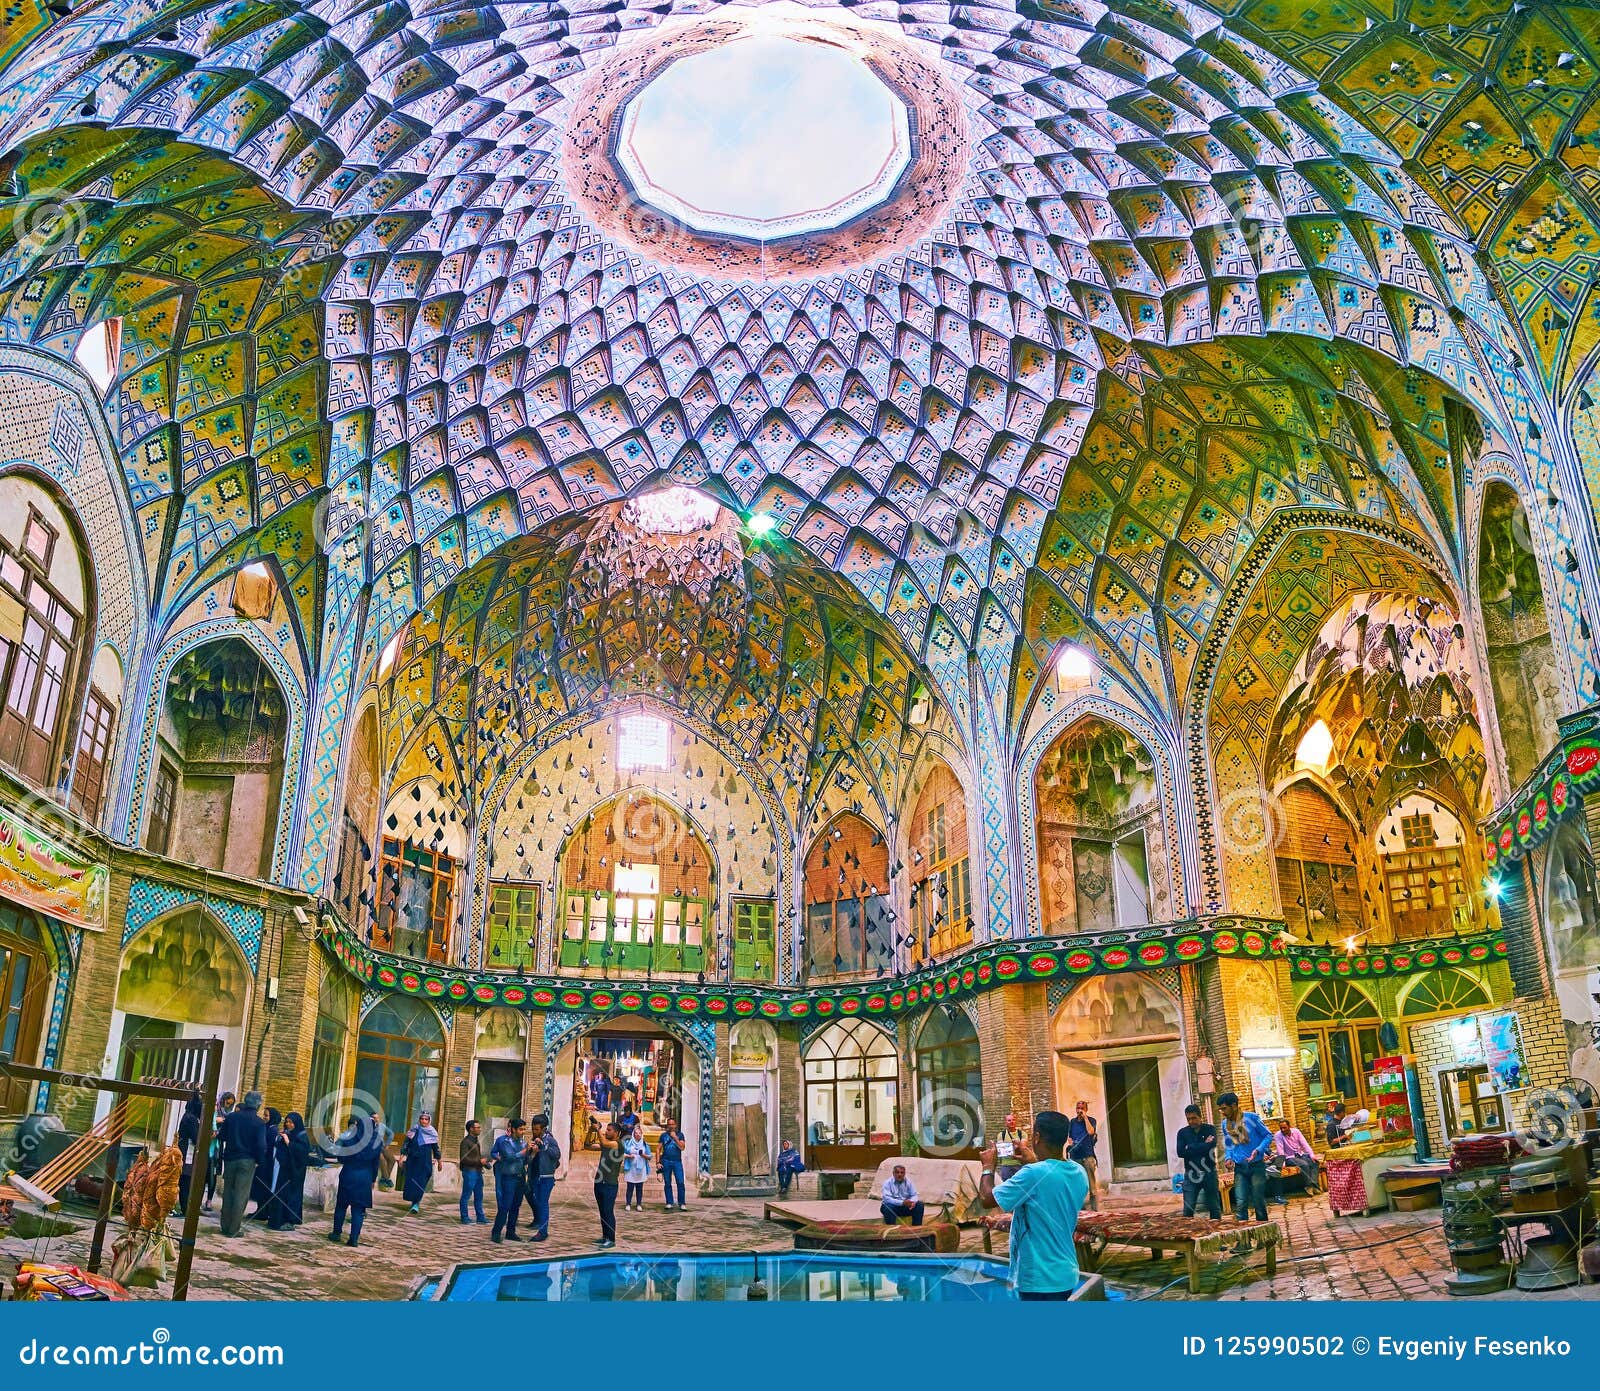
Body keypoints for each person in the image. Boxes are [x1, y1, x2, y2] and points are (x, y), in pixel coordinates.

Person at [978, 1110, 1090, 1300]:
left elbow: (987, 1199)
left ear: (1037, 1137)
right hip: (1066, 1273)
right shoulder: (1078, 1172)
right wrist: (1035, 1161)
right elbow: (1051, 1177)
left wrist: (988, 1166)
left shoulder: (1033, 1174)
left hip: (1039, 1279)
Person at [1218, 1091, 1273, 1225]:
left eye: (1224, 1108)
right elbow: (1229, 1144)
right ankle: (1244, 1241)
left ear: (1234, 1105)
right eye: (1220, 1109)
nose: (1222, 1112)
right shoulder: (1225, 1124)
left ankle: (1264, 1236)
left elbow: (1268, 1135)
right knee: (1241, 1202)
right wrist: (1228, 1158)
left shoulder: (1252, 1118)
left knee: (1258, 1200)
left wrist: (1258, 1150)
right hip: (1240, 1168)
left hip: (1256, 1166)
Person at [329, 1113, 383, 1248]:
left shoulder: (350, 1140)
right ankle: (354, 1238)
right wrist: (373, 1179)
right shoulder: (376, 1142)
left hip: (348, 1174)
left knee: (341, 1205)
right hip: (365, 1177)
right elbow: (376, 1163)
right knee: (358, 1210)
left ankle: (336, 1233)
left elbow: (341, 1158)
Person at [216, 1090, 265, 1237]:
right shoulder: (259, 1122)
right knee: (241, 1194)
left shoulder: (232, 1118)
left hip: (230, 1158)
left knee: (228, 1193)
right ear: (258, 1105)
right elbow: (261, 1145)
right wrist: (259, 1161)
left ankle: (225, 1225)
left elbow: (222, 1136)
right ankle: (233, 1229)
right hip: (247, 1160)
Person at [1174, 1104, 1221, 1219]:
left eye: (1194, 1118)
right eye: (1188, 1119)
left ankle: (1218, 1232)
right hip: (1191, 1174)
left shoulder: (1210, 1129)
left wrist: (1190, 1148)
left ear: (1200, 1117)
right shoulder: (1183, 1133)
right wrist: (1204, 1145)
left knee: (1214, 1207)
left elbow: (1212, 1145)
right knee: (1188, 1208)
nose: (1191, 1121)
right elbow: (1180, 1152)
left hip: (1209, 1172)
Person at [267, 1112, 310, 1230]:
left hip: (294, 1173)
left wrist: (289, 1143)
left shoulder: (302, 1136)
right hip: (283, 1171)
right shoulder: (287, 1133)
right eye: (287, 1122)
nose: (288, 1124)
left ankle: (289, 1221)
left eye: (291, 1122)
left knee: (290, 1197)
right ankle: (276, 1220)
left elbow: (301, 1153)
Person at [521, 1113, 561, 1241]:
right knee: (537, 1202)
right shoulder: (533, 1140)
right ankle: (539, 1222)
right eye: (533, 1128)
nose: (534, 1131)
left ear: (544, 1129)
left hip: (546, 1178)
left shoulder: (550, 1140)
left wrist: (544, 1146)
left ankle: (542, 1232)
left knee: (543, 1204)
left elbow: (557, 1155)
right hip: (534, 1176)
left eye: (537, 1129)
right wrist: (531, 1151)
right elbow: (527, 1160)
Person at [489, 1117, 527, 1243]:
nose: (523, 1132)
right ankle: (496, 1232)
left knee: (516, 1206)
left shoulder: (523, 1143)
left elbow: (525, 1160)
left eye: (524, 1129)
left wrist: (532, 1153)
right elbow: (510, 1156)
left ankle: (511, 1231)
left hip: (520, 1177)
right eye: (520, 1129)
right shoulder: (505, 1141)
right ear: (513, 1129)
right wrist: (524, 1152)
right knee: (505, 1206)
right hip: (508, 1178)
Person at [1270, 1119, 1321, 1198]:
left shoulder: (1296, 1132)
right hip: (1289, 1157)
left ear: (1289, 1127)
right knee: (1304, 1164)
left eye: (1284, 1128)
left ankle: (1314, 1185)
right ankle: (1308, 1186)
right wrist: (1282, 1163)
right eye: (1281, 1128)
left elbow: (1305, 1144)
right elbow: (1280, 1150)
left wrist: (1312, 1155)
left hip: (1300, 1154)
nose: (1283, 1130)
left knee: (1314, 1162)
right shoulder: (1278, 1135)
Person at [401, 1112, 440, 1214]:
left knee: (421, 1182)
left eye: (426, 1119)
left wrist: (439, 1161)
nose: (424, 1121)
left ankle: (416, 1203)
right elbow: (406, 1144)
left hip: (425, 1162)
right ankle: (413, 1202)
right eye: (422, 1119)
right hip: (412, 1161)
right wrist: (401, 1157)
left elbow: (436, 1149)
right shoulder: (414, 1130)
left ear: (429, 1121)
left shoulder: (432, 1133)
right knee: (412, 1182)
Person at [594, 1122, 625, 1248]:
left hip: (610, 1184)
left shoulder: (618, 1144)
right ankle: (605, 1236)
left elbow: (605, 1143)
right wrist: (592, 1131)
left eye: (609, 1130)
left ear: (616, 1133)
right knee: (602, 1212)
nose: (606, 1132)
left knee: (608, 1211)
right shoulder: (607, 1144)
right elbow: (588, 1145)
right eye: (606, 1130)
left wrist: (598, 1130)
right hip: (600, 1182)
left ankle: (611, 1239)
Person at [248, 1106, 282, 1219]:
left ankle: (263, 1212)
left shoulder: (272, 1130)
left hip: (266, 1164)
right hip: (263, 1162)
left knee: (263, 1188)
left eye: (267, 1115)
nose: (264, 1117)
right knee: (260, 1188)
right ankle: (261, 1210)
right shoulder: (267, 1128)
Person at [203, 1092, 235, 1212]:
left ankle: (209, 1200)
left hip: (218, 1147)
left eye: (230, 1105)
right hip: (208, 1147)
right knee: (203, 1174)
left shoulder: (229, 1116)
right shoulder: (214, 1112)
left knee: (213, 1175)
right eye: (226, 1103)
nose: (227, 1106)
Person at [1067, 1100, 1099, 1212]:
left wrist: (1085, 1118)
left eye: (1082, 1108)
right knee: (1077, 1185)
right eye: (1078, 1108)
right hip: (1075, 1157)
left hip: (1087, 1156)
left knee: (1092, 1186)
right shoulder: (1072, 1122)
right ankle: (1079, 1209)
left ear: (1086, 1110)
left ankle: (1095, 1210)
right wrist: (1071, 1142)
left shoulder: (1091, 1120)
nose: (1079, 1110)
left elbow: (1091, 1132)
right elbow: (1069, 1137)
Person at [175, 1091, 203, 1214]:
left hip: (185, 1149)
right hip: (187, 1151)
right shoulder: (191, 1118)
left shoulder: (188, 1116)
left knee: (185, 1180)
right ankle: (185, 1207)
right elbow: (196, 1137)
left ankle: (186, 1206)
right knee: (185, 1179)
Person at [459, 1120, 487, 1225]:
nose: (480, 1129)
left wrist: (485, 1163)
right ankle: (464, 1217)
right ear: (471, 1129)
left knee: (479, 1195)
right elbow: (463, 1159)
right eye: (477, 1127)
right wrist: (479, 1162)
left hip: (478, 1171)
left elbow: (477, 1156)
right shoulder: (465, 1142)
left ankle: (480, 1217)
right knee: (466, 1195)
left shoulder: (476, 1141)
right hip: (469, 1171)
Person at [657, 1115, 687, 1211]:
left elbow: (682, 1147)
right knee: (667, 1182)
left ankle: (681, 1203)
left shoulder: (680, 1134)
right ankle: (669, 1202)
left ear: (676, 1125)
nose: (670, 1126)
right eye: (669, 1124)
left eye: (672, 1124)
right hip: (666, 1161)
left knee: (680, 1182)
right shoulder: (663, 1135)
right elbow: (658, 1149)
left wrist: (675, 1138)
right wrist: (657, 1162)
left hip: (677, 1161)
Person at [623, 1123, 651, 1211]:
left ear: (642, 1134)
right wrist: (628, 1156)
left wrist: (643, 1155)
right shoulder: (628, 1143)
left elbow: (649, 1156)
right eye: (636, 1133)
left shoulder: (645, 1144)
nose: (638, 1135)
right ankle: (628, 1204)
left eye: (639, 1133)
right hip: (631, 1169)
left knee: (639, 1188)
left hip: (641, 1169)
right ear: (633, 1134)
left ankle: (639, 1204)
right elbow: (622, 1154)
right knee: (630, 1187)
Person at [997, 1113, 1027, 1182]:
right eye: (1009, 1120)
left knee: (1020, 1185)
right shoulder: (1001, 1135)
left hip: (1019, 1165)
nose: (1012, 1122)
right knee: (1006, 1186)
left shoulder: (1022, 1134)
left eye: (1013, 1120)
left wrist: (1009, 1146)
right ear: (1006, 1123)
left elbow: (1023, 1147)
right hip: (1006, 1165)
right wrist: (1016, 1146)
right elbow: (1001, 1149)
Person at [373, 1108, 397, 1190]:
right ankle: (387, 1179)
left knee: (392, 1159)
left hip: (382, 1146)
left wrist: (387, 1144)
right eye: (374, 1118)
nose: (376, 1119)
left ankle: (383, 1179)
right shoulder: (368, 1127)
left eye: (377, 1118)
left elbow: (391, 1134)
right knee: (382, 1160)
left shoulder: (382, 1126)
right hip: (373, 1148)